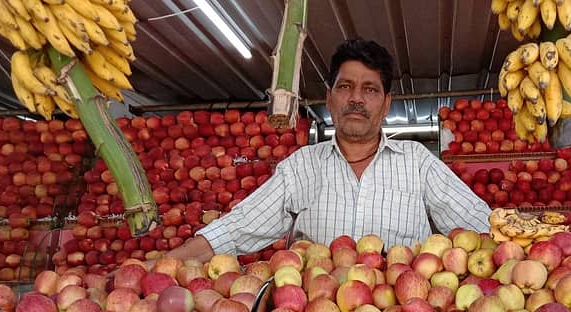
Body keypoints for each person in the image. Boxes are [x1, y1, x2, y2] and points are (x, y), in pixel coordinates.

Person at [163, 39, 491, 263]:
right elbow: (238, 227)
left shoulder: (419, 163)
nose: (357, 99)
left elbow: (481, 225)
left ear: (387, 103)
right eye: (345, 87)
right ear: (330, 98)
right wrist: (164, 266)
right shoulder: (301, 167)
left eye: (370, 89)